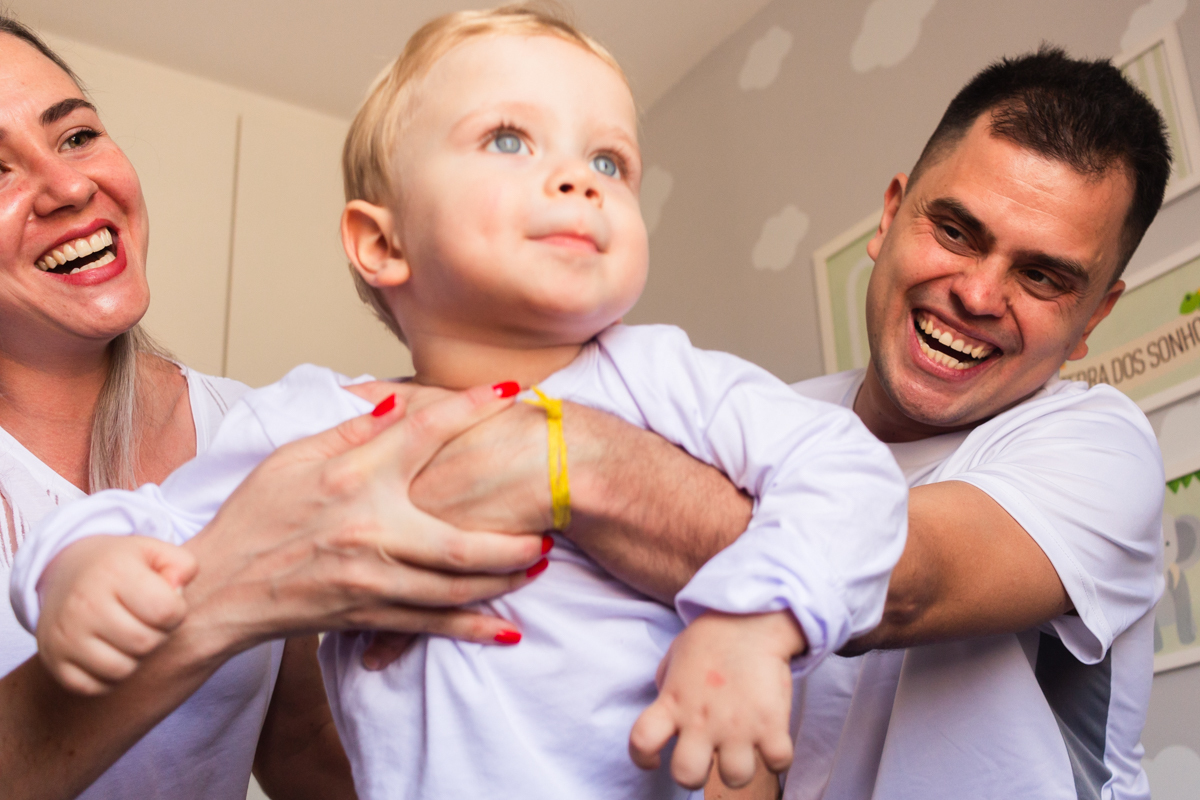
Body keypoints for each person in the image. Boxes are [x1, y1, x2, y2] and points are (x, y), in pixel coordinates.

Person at [15, 6, 908, 800]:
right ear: (381, 240)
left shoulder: (669, 378)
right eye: (510, 140)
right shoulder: (316, 422)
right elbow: (157, 525)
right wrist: (76, 569)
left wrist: (753, 624)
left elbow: (852, 478)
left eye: (610, 159)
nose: (579, 179)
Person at [365, 45, 1172, 800]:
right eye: (955, 231)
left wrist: (565, 457)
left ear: (1095, 313)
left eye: (1042, 276)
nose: (979, 294)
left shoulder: (1100, 445)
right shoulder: (778, 417)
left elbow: (899, 585)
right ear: (890, 217)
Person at [0, 16, 552, 800]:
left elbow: (295, 735)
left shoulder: (247, 429)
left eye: (77, 135)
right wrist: (223, 597)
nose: (69, 186)